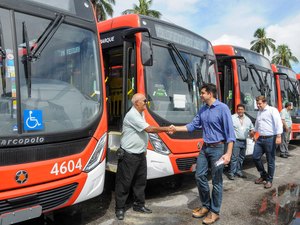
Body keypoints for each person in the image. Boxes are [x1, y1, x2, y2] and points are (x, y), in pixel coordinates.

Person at [172, 83, 235, 225]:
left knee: (217, 181)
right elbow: (192, 126)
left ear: (210, 94)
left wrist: (228, 153)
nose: (200, 95)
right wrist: (175, 128)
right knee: (199, 175)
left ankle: (215, 212)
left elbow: (230, 134)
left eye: (202, 93)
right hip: (205, 148)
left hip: (218, 149)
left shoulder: (223, 108)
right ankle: (206, 206)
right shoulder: (203, 109)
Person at [115, 93, 175, 220]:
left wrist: (144, 149)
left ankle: (139, 205)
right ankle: (119, 208)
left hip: (140, 154)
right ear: (136, 103)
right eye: (144, 101)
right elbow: (149, 129)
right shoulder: (132, 115)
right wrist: (166, 129)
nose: (146, 103)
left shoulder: (140, 113)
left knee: (140, 182)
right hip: (129, 155)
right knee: (124, 183)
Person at [252, 96, 283, 189]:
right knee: (255, 157)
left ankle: (269, 180)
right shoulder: (259, 112)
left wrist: (278, 136)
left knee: (270, 160)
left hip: (271, 138)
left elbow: (278, 123)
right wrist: (254, 132)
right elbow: (257, 124)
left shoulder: (272, 110)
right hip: (260, 138)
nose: (258, 105)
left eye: (260, 103)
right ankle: (263, 175)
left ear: (265, 102)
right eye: (257, 103)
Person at [228, 104, 254, 180]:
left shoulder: (248, 119)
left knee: (241, 157)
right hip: (235, 141)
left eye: (242, 109)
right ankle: (231, 173)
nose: (240, 111)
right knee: (234, 158)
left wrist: (252, 132)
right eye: (239, 109)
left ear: (244, 110)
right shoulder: (232, 118)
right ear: (237, 110)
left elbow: (252, 128)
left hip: (244, 141)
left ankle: (238, 171)